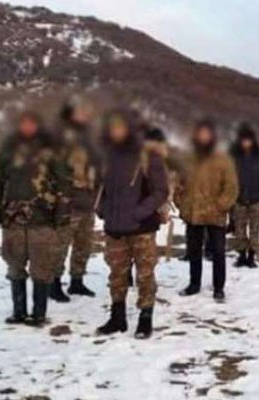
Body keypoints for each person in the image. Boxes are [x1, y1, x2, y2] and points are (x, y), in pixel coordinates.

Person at [95, 111, 168, 339]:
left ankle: (145, 318)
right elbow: (102, 188)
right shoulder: (108, 157)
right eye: (113, 128)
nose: (116, 132)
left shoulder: (148, 156)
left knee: (144, 275)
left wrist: (140, 212)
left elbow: (161, 191)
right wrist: (103, 209)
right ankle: (117, 317)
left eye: (121, 128)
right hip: (115, 228)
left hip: (141, 228)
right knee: (117, 274)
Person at [0, 111, 71, 327]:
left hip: (42, 217)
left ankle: (38, 314)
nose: (27, 127)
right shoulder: (8, 148)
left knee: (42, 267)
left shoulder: (51, 149)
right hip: (13, 218)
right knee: (14, 265)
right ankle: (19, 312)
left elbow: (64, 183)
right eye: (24, 123)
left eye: (31, 123)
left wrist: (62, 214)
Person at [175, 119, 238, 300]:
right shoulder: (187, 158)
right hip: (193, 213)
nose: (203, 137)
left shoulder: (223, 159)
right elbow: (178, 184)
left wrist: (221, 206)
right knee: (194, 251)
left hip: (215, 214)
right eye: (200, 134)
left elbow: (231, 187)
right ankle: (194, 284)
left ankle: (219, 287)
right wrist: (181, 204)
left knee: (218, 252)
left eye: (206, 134)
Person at [50, 97, 101, 302]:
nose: (85, 114)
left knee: (84, 244)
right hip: (68, 201)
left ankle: (77, 281)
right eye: (80, 111)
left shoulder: (89, 137)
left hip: (88, 200)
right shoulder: (60, 136)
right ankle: (53, 283)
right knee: (60, 245)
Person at [230, 123, 259, 268]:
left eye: (248, 140)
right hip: (239, 197)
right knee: (239, 229)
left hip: (256, 197)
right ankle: (241, 255)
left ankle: (252, 256)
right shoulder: (234, 155)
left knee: (255, 229)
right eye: (243, 140)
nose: (246, 143)